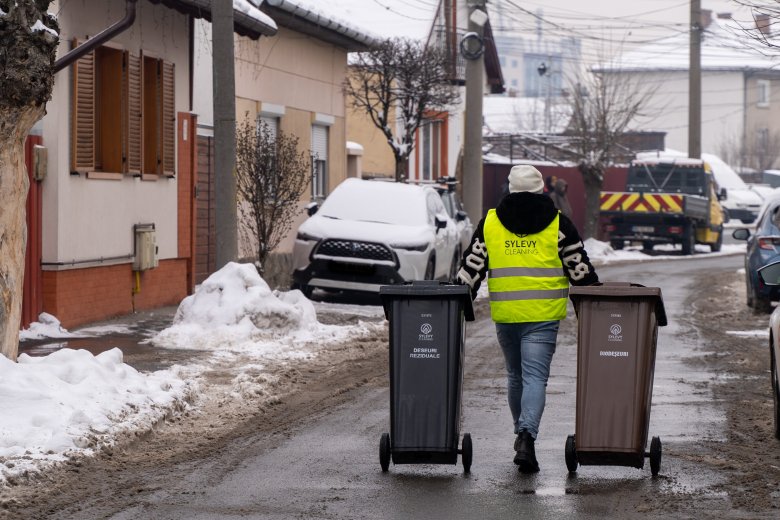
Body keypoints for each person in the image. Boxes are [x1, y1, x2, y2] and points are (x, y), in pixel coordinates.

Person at [456, 164, 599, 474]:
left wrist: (457, 294)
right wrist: (595, 296)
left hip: (506, 314)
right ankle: (526, 436)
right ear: (540, 189)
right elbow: (578, 267)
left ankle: (521, 434)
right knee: (535, 378)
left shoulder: (491, 223)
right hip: (543, 316)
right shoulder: (558, 224)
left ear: (510, 188)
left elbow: (472, 266)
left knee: (515, 376)